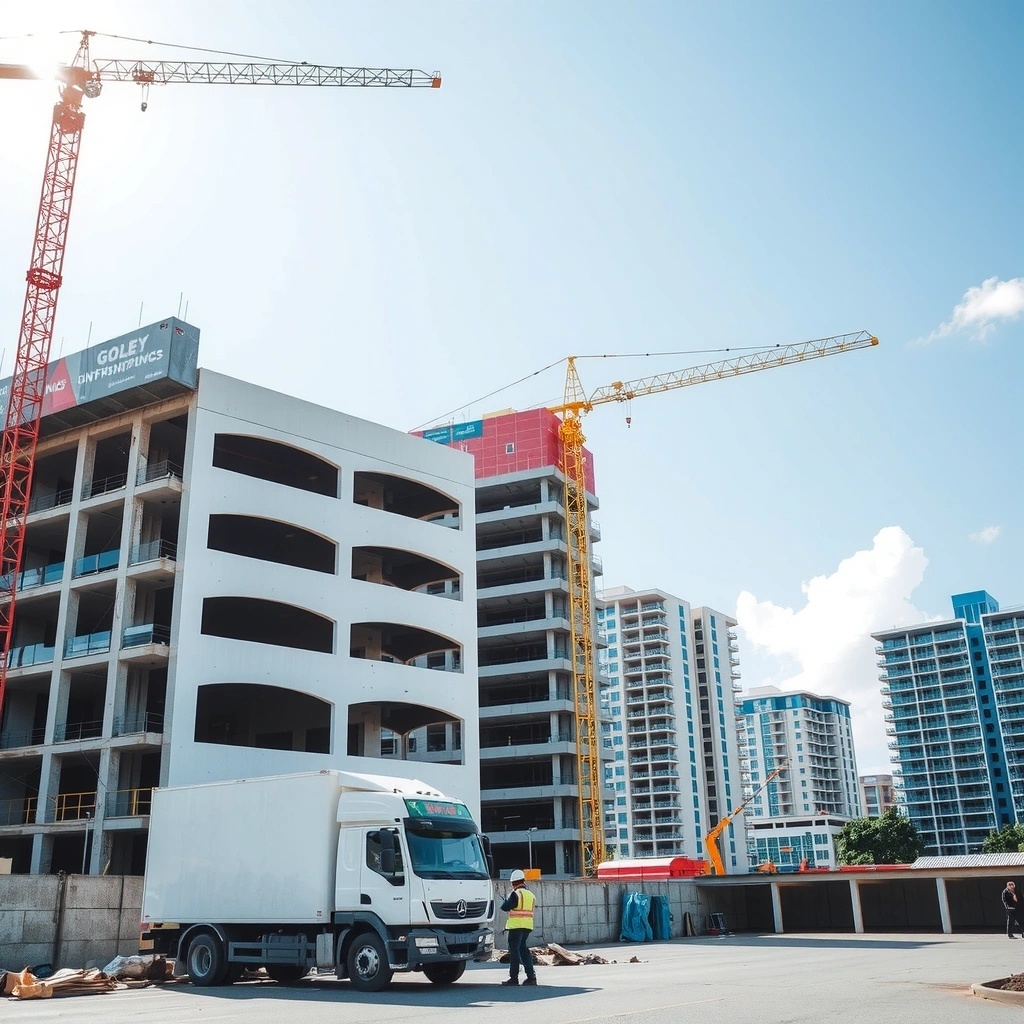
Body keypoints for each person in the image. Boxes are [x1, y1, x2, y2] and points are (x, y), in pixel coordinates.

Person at [501, 869, 537, 986]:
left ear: (513, 883)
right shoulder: (531, 895)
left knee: (514, 951)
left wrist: (506, 900)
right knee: (523, 950)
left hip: (516, 926)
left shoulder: (515, 894)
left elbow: (505, 907)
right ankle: (531, 977)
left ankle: (514, 978)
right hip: (527, 926)